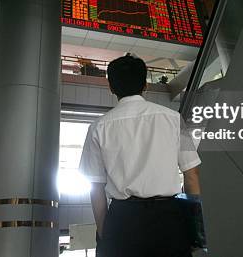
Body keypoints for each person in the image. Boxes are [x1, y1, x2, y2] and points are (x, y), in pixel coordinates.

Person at [79, 54, 202, 257]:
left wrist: (105, 233)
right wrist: (196, 227)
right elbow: (192, 175)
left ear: (111, 87)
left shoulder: (98, 127)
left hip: (122, 221)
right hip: (169, 220)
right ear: (145, 85)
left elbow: (95, 188)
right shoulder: (174, 119)